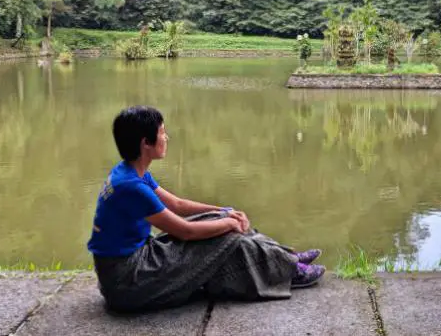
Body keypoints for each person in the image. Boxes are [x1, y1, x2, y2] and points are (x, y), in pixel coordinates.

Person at [87, 105, 325, 312]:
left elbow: (178, 205)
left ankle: (285, 258)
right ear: (145, 143)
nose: (167, 137)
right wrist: (230, 224)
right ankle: (290, 269)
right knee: (225, 236)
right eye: (162, 132)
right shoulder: (131, 187)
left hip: (131, 265)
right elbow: (185, 232)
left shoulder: (129, 172)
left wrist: (224, 211)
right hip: (127, 280)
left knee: (217, 221)